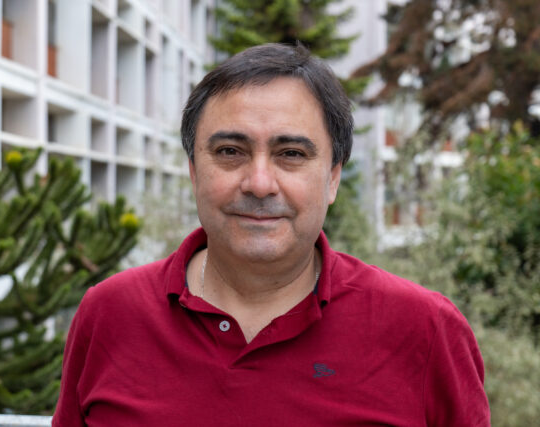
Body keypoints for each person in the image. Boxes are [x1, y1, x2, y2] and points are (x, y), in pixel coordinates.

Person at [53, 43, 490, 426]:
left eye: (291, 154)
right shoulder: (110, 314)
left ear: (333, 178)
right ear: (194, 171)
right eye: (230, 151)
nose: (259, 184)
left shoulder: (425, 330)